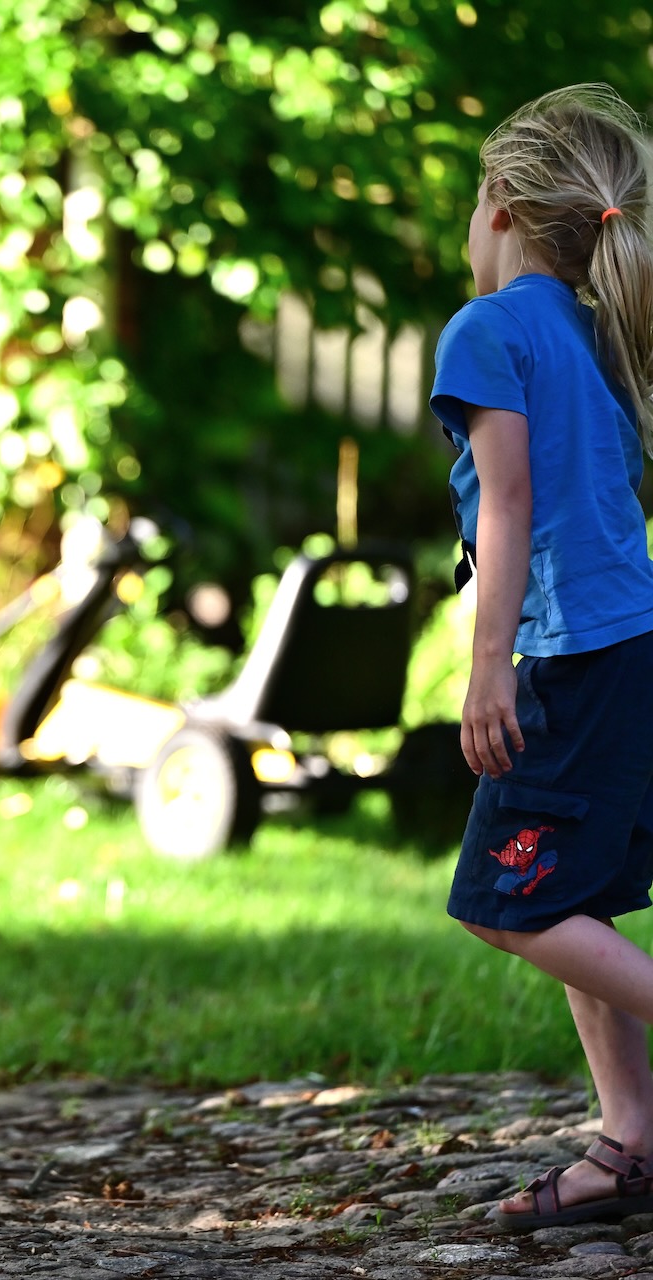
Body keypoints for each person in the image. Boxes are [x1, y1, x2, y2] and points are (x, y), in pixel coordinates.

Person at [432, 82, 653, 1233]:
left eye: (473, 202)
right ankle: (628, 1142)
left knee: (502, 901)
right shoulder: (595, 327)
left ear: (504, 207)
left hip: (570, 656)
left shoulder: (487, 329)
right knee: (572, 897)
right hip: (631, 644)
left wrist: (486, 664)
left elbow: (506, 508)